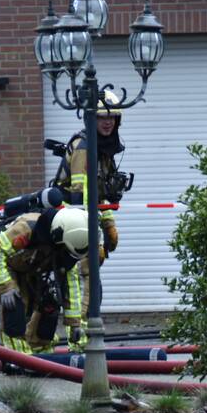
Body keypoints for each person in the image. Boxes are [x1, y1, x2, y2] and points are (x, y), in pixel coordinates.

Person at [52, 91, 128, 313]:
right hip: (71, 217)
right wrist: (93, 239)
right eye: (102, 117)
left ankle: (86, 327)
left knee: (91, 277)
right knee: (83, 275)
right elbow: (79, 196)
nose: (107, 122)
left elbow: (98, 194)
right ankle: (81, 332)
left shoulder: (103, 149)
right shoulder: (84, 147)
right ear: (91, 118)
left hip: (87, 215)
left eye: (112, 117)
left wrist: (109, 224)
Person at [0, 207, 89, 355]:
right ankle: (17, 357)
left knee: (49, 306)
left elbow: (72, 289)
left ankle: (41, 351)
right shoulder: (27, 228)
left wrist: (75, 325)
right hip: (1, 263)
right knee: (14, 308)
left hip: (31, 267)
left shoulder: (67, 248)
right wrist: (6, 287)